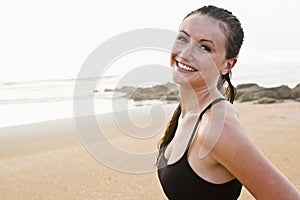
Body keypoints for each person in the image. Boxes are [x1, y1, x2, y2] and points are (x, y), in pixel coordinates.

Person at [157, 5, 300, 200]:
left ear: (227, 64)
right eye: (183, 38)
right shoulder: (187, 111)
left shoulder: (218, 127)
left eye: (204, 47)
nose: (186, 53)